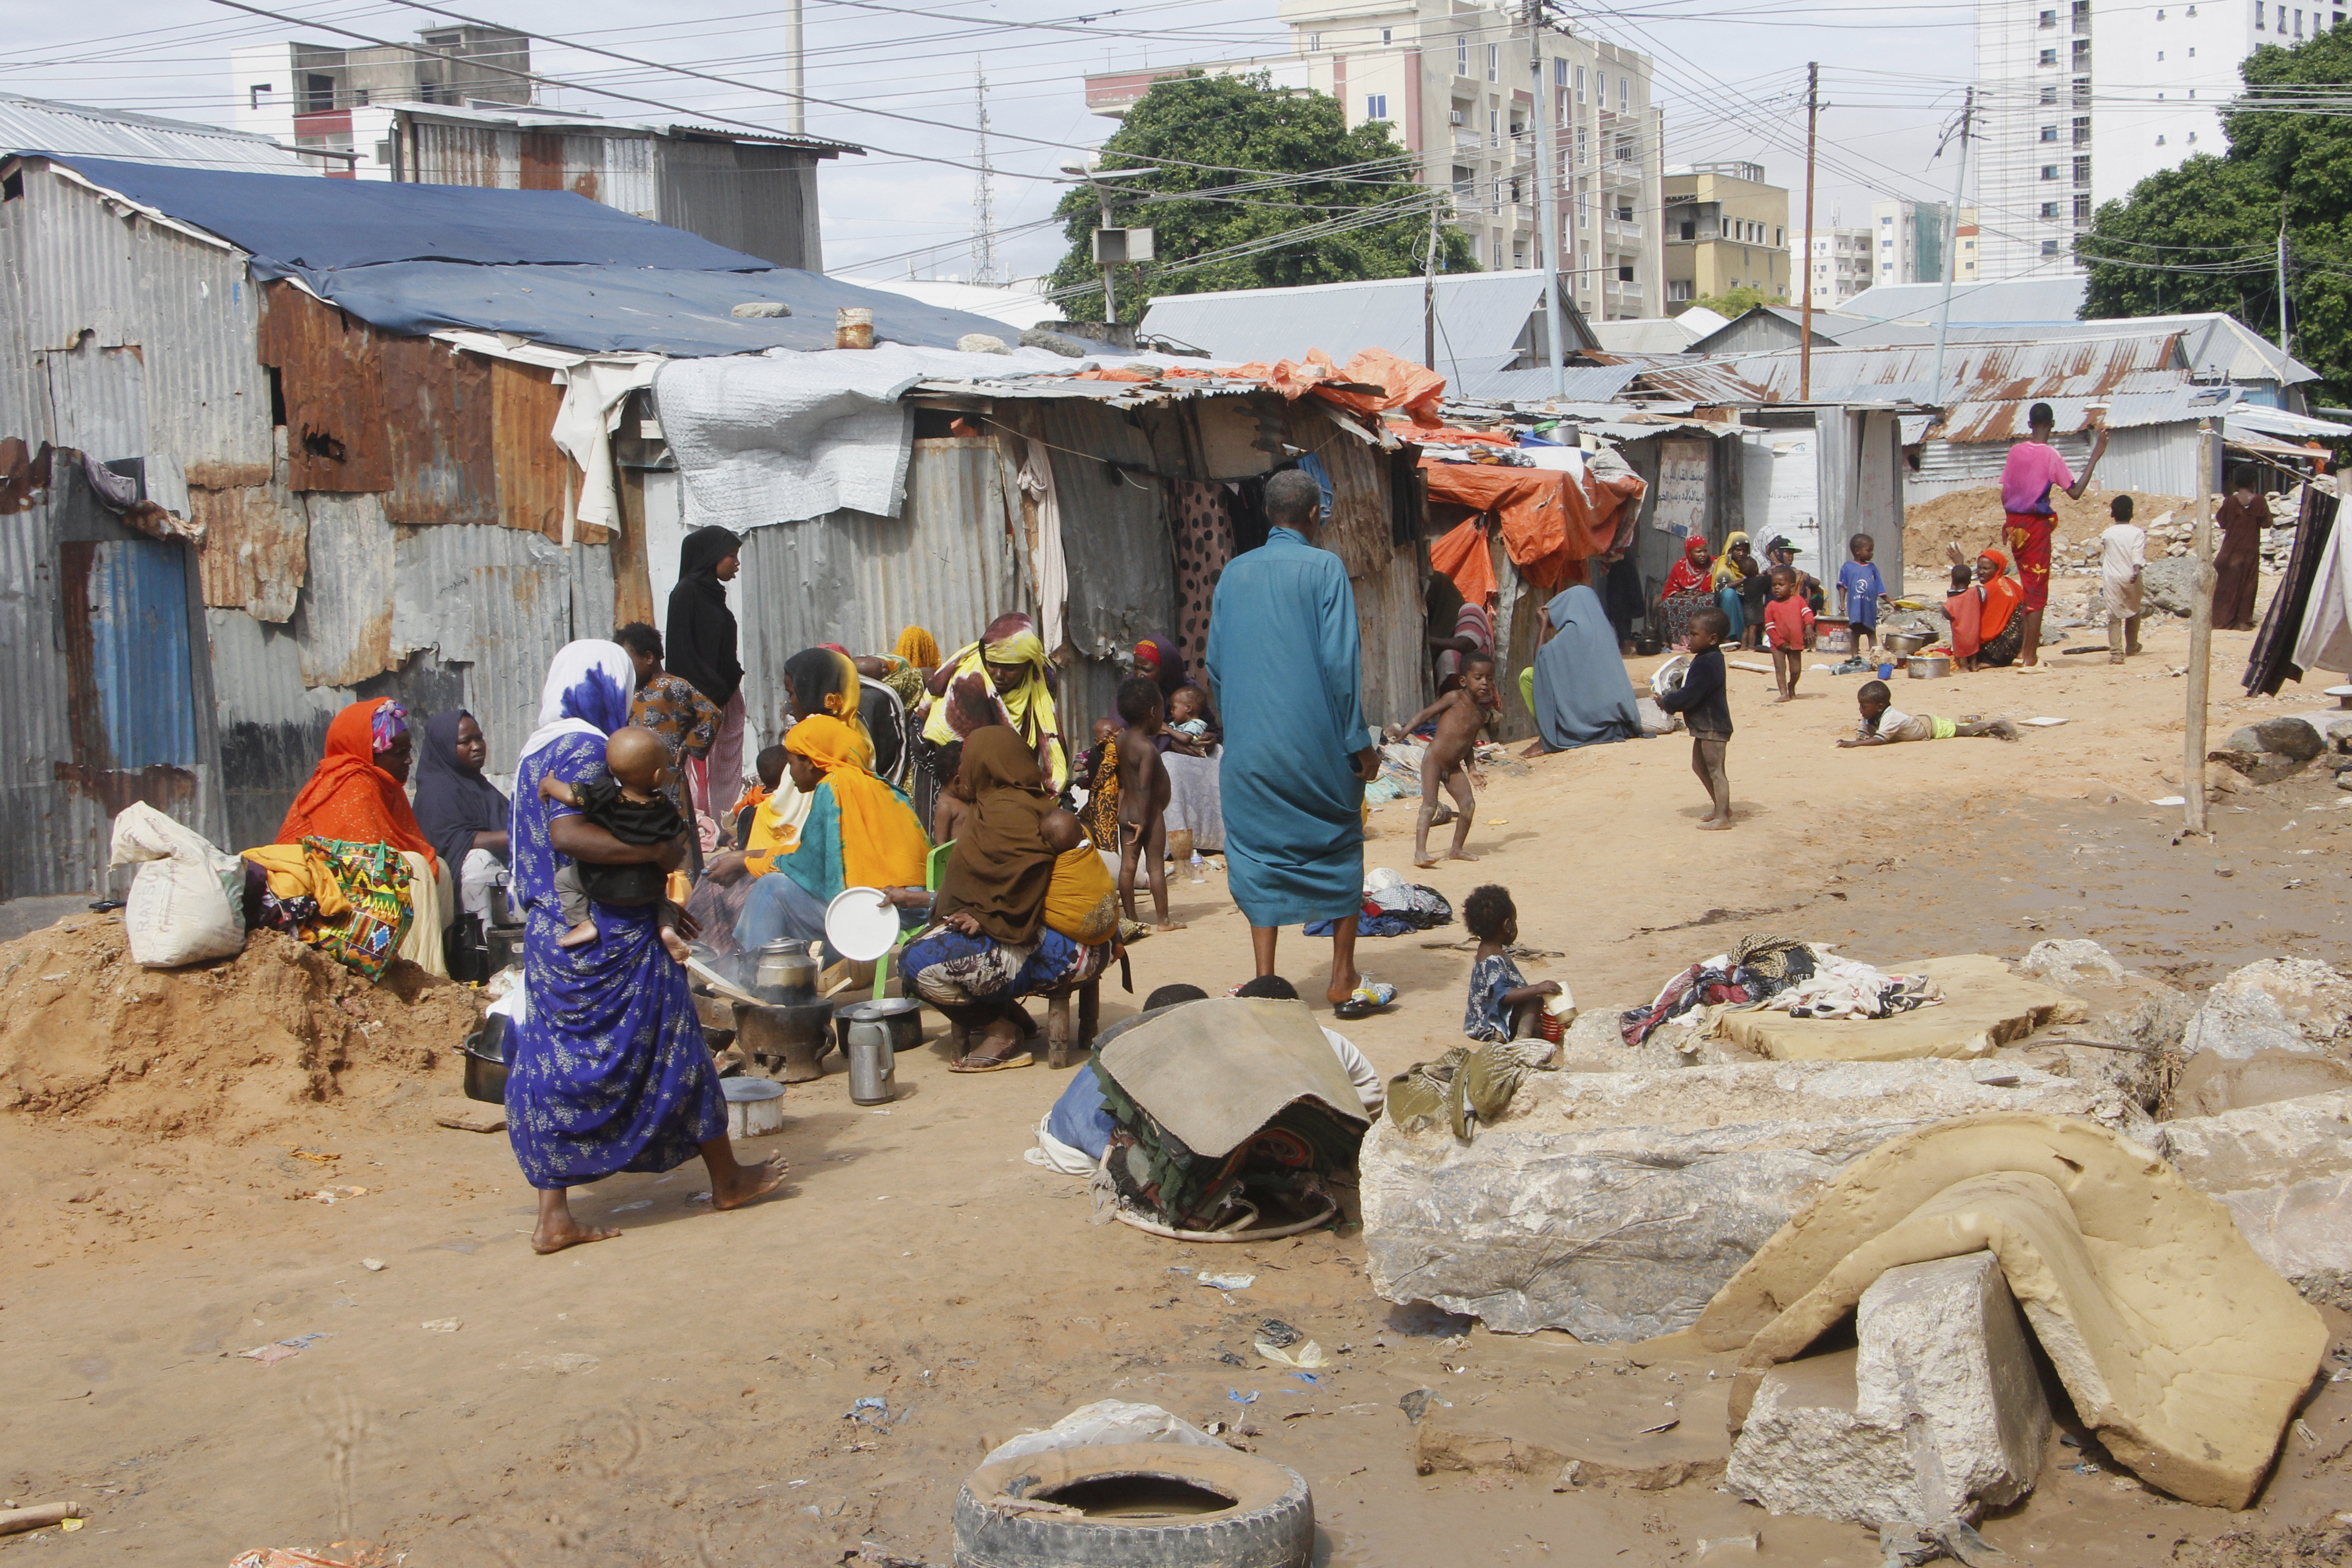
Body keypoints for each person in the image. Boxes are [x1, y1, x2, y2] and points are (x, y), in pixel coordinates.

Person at [503, 640, 781, 1255]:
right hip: (609, 936)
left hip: (557, 938)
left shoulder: (535, 754)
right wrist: (655, 858)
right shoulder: (584, 748)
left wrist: (655, 898)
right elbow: (572, 836)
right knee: (677, 1047)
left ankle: (554, 1215)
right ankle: (727, 1178)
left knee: (555, 1068)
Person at [1205, 468, 1380, 1011]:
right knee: (1339, 844)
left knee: (1256, 853)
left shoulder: (1233, 574)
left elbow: (1214, 665)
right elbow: (1339, 664)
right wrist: (1359, 744)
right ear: (1312, 515)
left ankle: (1266, 980)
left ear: (1265, 513)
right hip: (1317, 749)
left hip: (1249, 753)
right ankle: (1341, 976)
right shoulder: (1325, 568)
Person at [901, 726, 1111, 1072]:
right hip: (1082, 944)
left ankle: (1000, 1029)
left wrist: (986, 918)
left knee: (915, 964)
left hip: (1057, 952)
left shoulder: (1002, 813)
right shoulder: (1035, 803)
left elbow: (1025, 883)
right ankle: (1016, 1018)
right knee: (936, 942)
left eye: (969, 760)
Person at [733, 712, 931, 959]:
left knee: (771, 888)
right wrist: (749, 856)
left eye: (791, 763)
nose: (790, 773)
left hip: (879, 912)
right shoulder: (881, 785)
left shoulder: (833, 788)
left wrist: (748, 863)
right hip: (915, 906)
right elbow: (816, 853)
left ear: (811, 761)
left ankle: (757, 970)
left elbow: (808, 866)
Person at [275, 697, 449, 977]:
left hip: (346, 879)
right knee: (413, 869)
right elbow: (366, 863)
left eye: (409, 751)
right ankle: (415, 971)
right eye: (397, 752)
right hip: (318, 896)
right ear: (369, 754)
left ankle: (430, 963)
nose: (408, 760)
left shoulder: (385, 784)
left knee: (436, 866)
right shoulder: (353, 784)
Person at [537, 726, 693, 964]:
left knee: (564, 879)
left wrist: (548, 784)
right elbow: (679, 840)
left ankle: (582, 923)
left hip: (602, 885)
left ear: (610, 770)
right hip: (646, 888)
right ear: (657, 775)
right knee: (663, 899)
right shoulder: (665, 809)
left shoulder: (605, 794)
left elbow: (570, 796)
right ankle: (667, 928)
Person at [2000, 401, 2108, 665]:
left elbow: (2008, 488)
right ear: (2052, 425)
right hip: (2035, 526)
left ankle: (2025, 652)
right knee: (2037, 592)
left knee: (2028, 587)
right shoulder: (2051, 456)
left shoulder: (2015, 451)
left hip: (2014, 527)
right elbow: (2075, 492)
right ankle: (2029, 657)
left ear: (2029, 425)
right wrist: (2095, 457)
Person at [922, 612, 1069, 794]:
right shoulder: (967, 682)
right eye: (992, 665)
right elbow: (951, 750)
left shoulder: (1042, 675)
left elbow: (1038, 739)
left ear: (1027, 665)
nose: (999, 675)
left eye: (1010, 669)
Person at [665, 527, 746, 823]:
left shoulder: (713, 594)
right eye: (731, 556)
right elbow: (682, 652)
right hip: (700, 700)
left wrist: (729, 682)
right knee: (696, 764)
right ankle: (699, 823)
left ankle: (723, 820)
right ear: (711, 556)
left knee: (726, 761)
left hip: (725, 695)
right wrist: (710, 692)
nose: (736, 563)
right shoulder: (687, 593)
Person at [412, 708, 509, 941]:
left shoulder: (478, 786)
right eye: (465, 742)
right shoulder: (436, 791)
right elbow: (457, 841)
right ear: (446, 747)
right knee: (479, 861)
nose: (477, 746)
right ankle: (485, 949)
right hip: (458, 886)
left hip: (497, 878)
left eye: (479, 738)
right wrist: (518, 835)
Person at [1390, 652, 1495, 868]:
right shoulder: (1454, 698)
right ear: (1464, 680)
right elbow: (1425, 715)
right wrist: (1404, 732)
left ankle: (1456, 849)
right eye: (1479, 677)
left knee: (1468, 806)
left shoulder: (1481, 714)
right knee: (1429, 806)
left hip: (1454, 767)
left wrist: (1473, 769)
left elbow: (1468, 744)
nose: (1485, 682)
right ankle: (1420, 853)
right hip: (1434, 761)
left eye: (1490, 678)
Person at [1527, 582, 1644, 755]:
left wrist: (1543, 625)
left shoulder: (1574, 632)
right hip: (1616, 720)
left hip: (1587, 722)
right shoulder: (1606, 630)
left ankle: (1546, 736)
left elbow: (1540, 659)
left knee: (1528, 676)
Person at [1114, 676, 1181, 932]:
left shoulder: (1122, 740)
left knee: (1128, 866)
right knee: (1155, 866)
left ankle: (1131, 919)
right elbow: (1145, 787)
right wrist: (1144, 820)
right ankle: (1163, 920)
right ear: (1154, 712)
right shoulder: (1147, 749)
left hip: (1126, 810)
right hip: (1148, 815)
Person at [1656, 606, 1733, 829]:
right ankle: (1721, 807)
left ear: (1713, 638)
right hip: (1704, 724)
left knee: (1716, 771)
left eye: (1695, 634)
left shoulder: (1709, 662)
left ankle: (1723, 817)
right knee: (1699, 766)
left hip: (1713, 725)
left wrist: (1668, 702)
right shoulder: (1705, 658)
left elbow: (1692, 694)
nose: (1689, 638)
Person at [1462, 884, 1562, 1043]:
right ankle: (1521, 1039)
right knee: (1535, 999)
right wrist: (1538, 988)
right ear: (1508, 925)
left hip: (1486, 1016)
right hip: (1487, 1023)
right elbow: (1505, 995)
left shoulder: (1488, 949)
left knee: (1534, 1004)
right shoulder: (1492, 959)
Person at [1839, 680, 2022, 746]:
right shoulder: (1871, 716)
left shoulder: (1890, 717)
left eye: (1864, 707)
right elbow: (1864, 732)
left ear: (1879, 707)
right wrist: (1859, 737)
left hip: (1930, 728)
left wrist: (1854, 744)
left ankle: (1994, 724)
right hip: (1920, 722)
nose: (1861, 710)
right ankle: (1990, 732)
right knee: (1964, 730)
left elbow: (1880, 739)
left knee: (1964, 731)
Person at [1040, 806, 1119, 946]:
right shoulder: (1089, 847)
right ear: (1083, 833)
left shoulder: (1056, 865)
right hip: (1110, 926)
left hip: (1079, 931)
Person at [1950, 545, 2026, 668]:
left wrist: (1959, 566)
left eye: (1986, 568)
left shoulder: (1988, 590)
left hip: (1997, 650)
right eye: (1979, 568)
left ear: (1998, 569)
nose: (1981, 572)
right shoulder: (2011, 584)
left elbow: (1957, 603)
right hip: (2017, 646)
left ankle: (1983, 663)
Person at [2214, 467, 2270, 632]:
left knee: (2226, 584)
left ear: (2236, 483)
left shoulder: (2230, 501)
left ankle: (2221, 619)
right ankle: (2244, 621)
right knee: (2249, 584)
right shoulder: (2259, 501)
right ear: (2254, 482)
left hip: (2230, 549)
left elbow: (2222, 522)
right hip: (2250, 550)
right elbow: (2267, 523)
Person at [2100, 495, 2147, 663]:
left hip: (2112, 578)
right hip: (2131, 576)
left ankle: (2117, 654)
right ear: (2131, 512)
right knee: (2134, 611)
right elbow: (2137, 554)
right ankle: (2132, 645)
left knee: (2114, 616)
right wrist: (2136, 569)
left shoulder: (2107, 534)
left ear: (2113, 514)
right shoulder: (2137, 533)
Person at [1763, 566, 1814, 703]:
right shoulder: (1771, 606)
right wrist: (1779, 643)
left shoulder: (1798, 601)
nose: (1777, 588)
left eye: (1781, 585)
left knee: (1796, 670)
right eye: (1774, 585)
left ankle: (1791, 686)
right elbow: (1770, 627)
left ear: (1791, 587)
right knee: (1780, 669)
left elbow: (1807, 614)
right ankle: (1784, 693)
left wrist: (1809, 626)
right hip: (1778, 645)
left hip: (1795, 641)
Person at [1837, 534, 1888, 655]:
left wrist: (1890, 601)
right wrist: (1842, 603)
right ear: (1857, 551)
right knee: (1855, 631)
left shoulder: (1872, 568)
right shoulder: (1848, 567)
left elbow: (1879, 587)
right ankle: (1854, 656)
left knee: (1871, 631)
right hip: (1855, 607)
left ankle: (1875, 655)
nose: (1872, 554)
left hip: (1869, 607)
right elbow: (1842, 586)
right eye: (1869, 550)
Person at [1075, 719, 1119, 849]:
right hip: (1097, 798)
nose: (1114, 737)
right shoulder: (1095, 754)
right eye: (1108, 736)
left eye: (1116, 731)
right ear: (1096, 741)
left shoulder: (1126, 750)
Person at [1712, 531, 1756, 649]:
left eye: (1745, 551)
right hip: (1727, 603)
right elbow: (1722, 587)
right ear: (1731, 550)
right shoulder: (1724, 562)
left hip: (1745, 602)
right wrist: (1744, 580)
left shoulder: (1749, 564)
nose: (1742, 554)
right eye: (1738, 550)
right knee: (1729, 594)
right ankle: (1729, 638)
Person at [1944, 561, 1984, 672]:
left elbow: (1947, 614)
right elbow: (1984, 594)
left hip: (1960, 633)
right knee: (1974, 650)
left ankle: (1965, 667)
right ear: (1970, 580)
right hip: (1974, 631)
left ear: (1953, 582)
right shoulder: (1975, 592)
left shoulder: (1952, 601)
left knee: (1962, 651)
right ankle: (1974, 666)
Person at [932, 740, 971, 847]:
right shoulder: (946, 807)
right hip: (958, 860)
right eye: (971, 782)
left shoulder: (964, 799)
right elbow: (940, 843)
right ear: (958, 782)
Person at [1162, 686, 1218, 755]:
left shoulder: (1195, 725)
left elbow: (1186, 738)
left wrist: (1167, 729)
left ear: (1188, 709)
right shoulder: (1178, 723)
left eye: (1174, 708)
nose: (1171, 712)